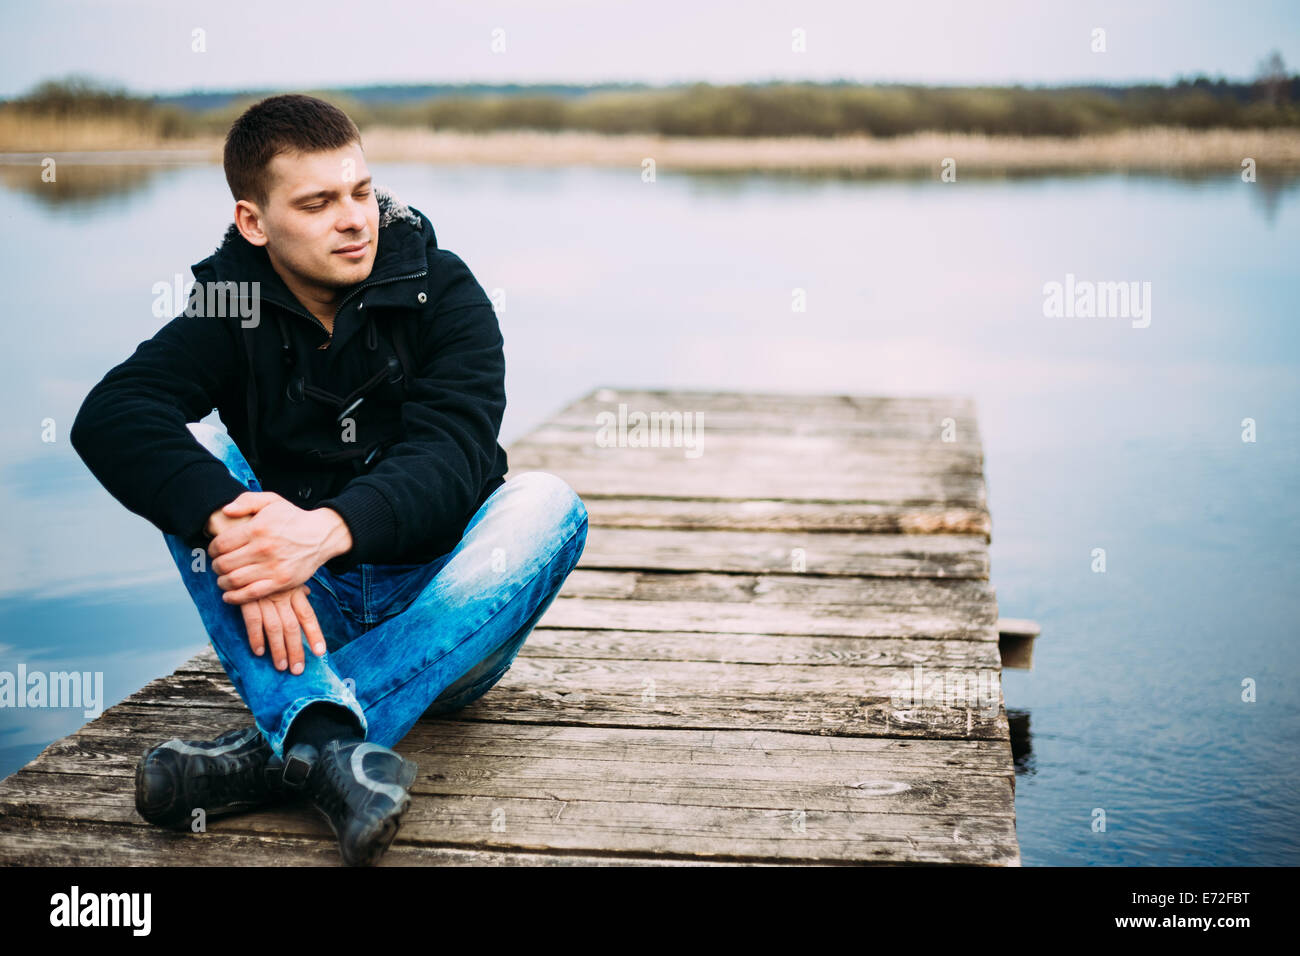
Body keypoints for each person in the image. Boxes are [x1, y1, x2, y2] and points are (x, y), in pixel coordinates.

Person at [69, 94, 589, 866]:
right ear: (255, 222)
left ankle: (291, 740)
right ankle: (328, 748)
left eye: (360, 192)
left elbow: (451, 456)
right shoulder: (229, 309)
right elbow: (112, 414)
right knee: (196, 461)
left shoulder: (443, 290)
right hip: (310, 618)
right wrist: (227, 520)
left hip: (451, 618)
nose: (354, 219)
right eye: (317, 203)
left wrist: (321, 532)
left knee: (550, 504)